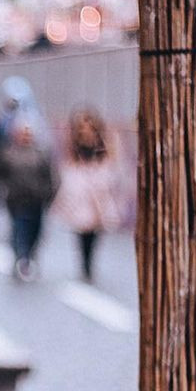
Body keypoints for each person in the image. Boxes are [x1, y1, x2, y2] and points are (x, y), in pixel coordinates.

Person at [52, 109, 123, 283]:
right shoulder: (73, 144)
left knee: (95, 229)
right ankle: (85, 264)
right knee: (81, 228)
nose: (86, 130)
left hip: (98, 189)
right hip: (80, 190)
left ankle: (89, 262)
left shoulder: (103, 143)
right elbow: (68, 163)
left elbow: (111, 164)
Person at [0, 115, 59, 280]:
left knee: (35, 231)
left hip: (37, 199)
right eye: (22, 132)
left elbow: (51, 177)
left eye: (28, 132)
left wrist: (49, 194)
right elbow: (0, 175)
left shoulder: (41, 153)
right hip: (16, 199)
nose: (25, 136)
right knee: (19, 229)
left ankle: (30, 255)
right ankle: (21, 257)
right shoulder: (8, 153)